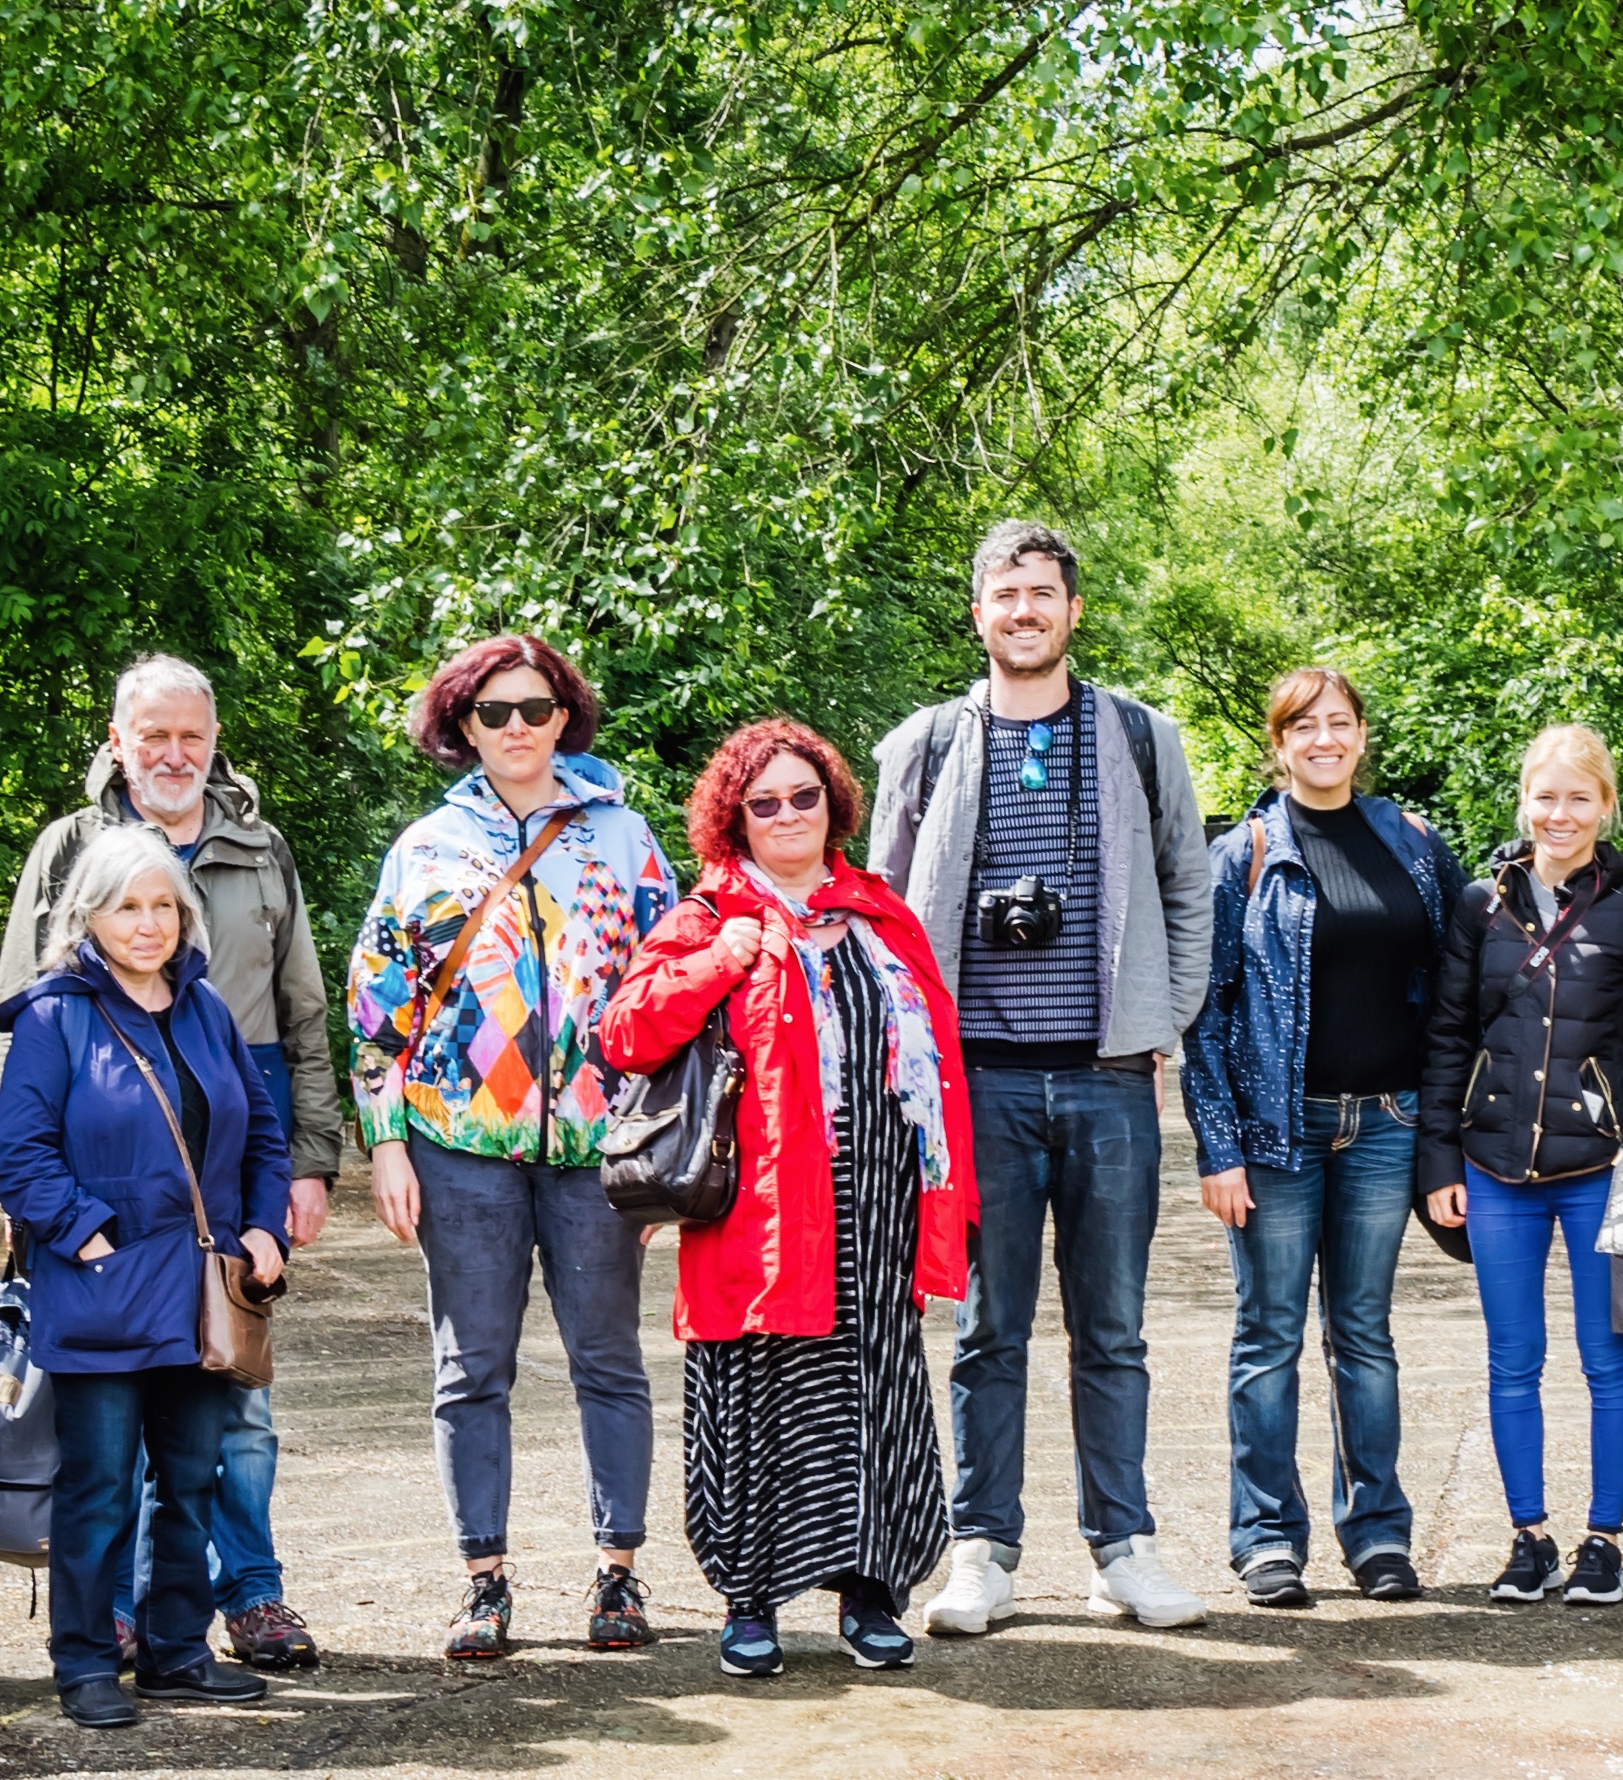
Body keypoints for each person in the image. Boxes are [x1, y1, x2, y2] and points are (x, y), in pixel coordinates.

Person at [866, 519, 1214, 1635]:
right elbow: (876, 908)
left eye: (1043, 593)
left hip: (1110, 1078)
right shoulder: (921, 745)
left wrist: (1165, 1016)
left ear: (1072, 610)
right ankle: (983, 1551)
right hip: (976, 1087)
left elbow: (1188, 885)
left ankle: (1124, 1547)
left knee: (1112, 1329)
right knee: (985, 1332)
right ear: (979, 612)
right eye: (1005, 593)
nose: (1025, 611)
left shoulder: (1139, 736)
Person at [602, 720, 977, 1677]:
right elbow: (625, 1034)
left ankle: (869, 1594)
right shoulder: (705, 914)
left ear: (832, 804)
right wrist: (722, 958)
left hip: (876, 1198)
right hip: (757, 1211)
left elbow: (938, 1069)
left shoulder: (879, 913)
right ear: (733, 818)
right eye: (760, 802)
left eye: (801, 796)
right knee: (757, 1390)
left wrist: (946, 1202)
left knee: (874, 1389)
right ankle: (751, 1601)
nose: (784, 815)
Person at [0, 654, 338, 1672]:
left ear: (214, 740)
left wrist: (307, 1166)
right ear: (117, 740)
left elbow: (301, 1013)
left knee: (229, 1403)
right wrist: (36, 1205)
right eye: (153, 735)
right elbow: (20, 1027)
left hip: (226, 1168)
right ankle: (109, 1617)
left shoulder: (258, 849)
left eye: (191, 735)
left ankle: (247, 1595)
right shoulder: (69, 849)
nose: (174, 753)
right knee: (101, 1433)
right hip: (100, 1161)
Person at [346, 633, 678, 1659]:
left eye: (537, 708)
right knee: (469, 1366)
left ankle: (618, 1575)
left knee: (608, 1360)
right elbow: (375, 1013)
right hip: (459, 1148)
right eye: (496, 712)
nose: (519, 727)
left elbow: (676, 998)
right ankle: (483, 1582)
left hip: (594, 1147)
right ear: (462, 724)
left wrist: (663, 1150)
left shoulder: (624, 839)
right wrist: (387, 1143)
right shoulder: (424, 849)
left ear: (565, 716)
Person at [1183, 669, 1463, 1608]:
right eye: (1305, 726)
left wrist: (1444, 1135)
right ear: (1280, 743)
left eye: (1339, 724)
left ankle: (1378, 1536)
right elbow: (1206, 1012)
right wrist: (1217, 1146)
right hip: (1275, 1136)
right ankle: (1266, 1541)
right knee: (1267, 1337)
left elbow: (1455, 986)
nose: (1324, 740)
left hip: (1385, 1125)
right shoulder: (1247, 854)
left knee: (1364, 1337)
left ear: (1360, 736)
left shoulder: (1414, 847)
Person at [0, 829, 289, 1728]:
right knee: (96, 1488)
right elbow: (21, 1153)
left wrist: (263, 1227)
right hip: (100, 1292)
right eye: (129, 905)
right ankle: (85, 1663)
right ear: (87, 914)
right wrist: (87, 1237)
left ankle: (175, 1652)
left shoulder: (205, 1010)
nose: (148, 923)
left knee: (191, 1480)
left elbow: (263, 1134)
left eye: (163, 904)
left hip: (202, 1293)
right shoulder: (53, 1017)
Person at [1420, 724, 1623, 1606]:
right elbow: (1445, 1035)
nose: (1560, 815)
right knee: (1512, 1359)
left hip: (1599, 1167)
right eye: (1545, 797)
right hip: (1493, 1162)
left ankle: (1602, 1541)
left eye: (1578, 798)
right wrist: (1439, 1157)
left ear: (1605, 806)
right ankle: (1528, 1537)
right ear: (1524, 800)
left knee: (1606, 1360)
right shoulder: (1482, 903)